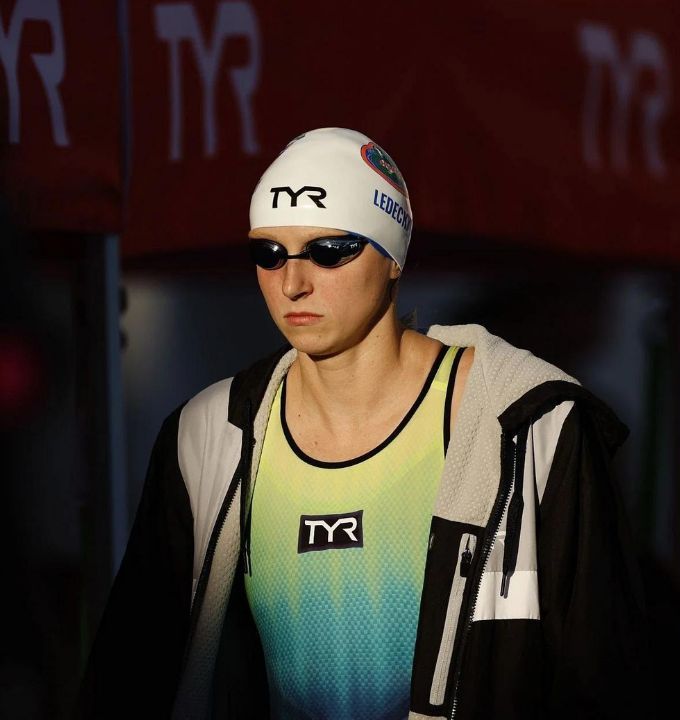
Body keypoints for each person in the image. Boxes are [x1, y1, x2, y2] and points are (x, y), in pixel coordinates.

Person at [77, 128, 647, 719]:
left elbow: (608, 679)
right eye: (268, 254)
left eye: (328, 251)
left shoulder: (535, 428)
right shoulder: (208, 438)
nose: (294, 282)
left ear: (394, 255)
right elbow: (128, 680)